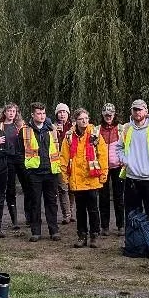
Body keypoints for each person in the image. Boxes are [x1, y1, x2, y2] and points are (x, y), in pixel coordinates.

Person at [118, 99, 149, 253]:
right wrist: (126, 161)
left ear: (146, 111)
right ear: (131, 111)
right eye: (135, 110)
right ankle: (133, 243)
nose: (137, 112)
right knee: (132, 213)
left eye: (140, 110)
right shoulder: (126, 129)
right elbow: (118, 148)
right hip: (132, 178)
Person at [60, 107, 108, 248]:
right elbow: (64, 158)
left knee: (93, 209)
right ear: (75, 121)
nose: (84, 121)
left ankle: (94, 235)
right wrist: (65, 177)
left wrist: (103, 174)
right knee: (80, 210)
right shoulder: (69, 137)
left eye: (86, 118)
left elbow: (103, 155)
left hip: (92, 178)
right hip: (77, 179)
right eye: (81, 119)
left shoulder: (95, 134)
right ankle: (81, 236)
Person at [21, 102, 62, 241]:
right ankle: (36, 231)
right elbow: (20, 152)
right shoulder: (25, 130)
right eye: (39, 113)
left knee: (51, 202)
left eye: (44, 113)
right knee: (35, 203)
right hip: (34, 173)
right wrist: (27, 172)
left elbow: (58, 149)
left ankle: (54, 231)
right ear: (32, 115)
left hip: (51, 172)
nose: (42, 116)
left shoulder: (52, 129)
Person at [96, 103, 124, 237]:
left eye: (110, 114)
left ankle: (121, 226)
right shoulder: (97, 129)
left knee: (119, 197)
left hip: (118, 166)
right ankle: (105, 226)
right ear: (102, 114)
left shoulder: (121, 128)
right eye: (106, 114)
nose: (108, 116)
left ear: (114, 114)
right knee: (103, 197)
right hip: (102, 167)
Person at [0, 104, 23, 233]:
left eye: (13, 111)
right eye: (9, 111)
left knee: (28, 186)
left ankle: (30, 217)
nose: (11, 113)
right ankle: (14, 220)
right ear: (5, 112)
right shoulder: (0, 126)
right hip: (7, 159)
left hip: (20, 159)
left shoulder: (19, 125)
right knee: (10, 188)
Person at [53, 102, 74, 224]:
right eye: (60, 112)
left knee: (72, 188)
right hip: (59, 160)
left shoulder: (73, 126)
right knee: (63, 187)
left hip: (73, 160)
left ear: (68, 114)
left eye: (64, 112)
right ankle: (66, 214)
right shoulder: (52, 127)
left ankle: (71, 211)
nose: (62, 114)